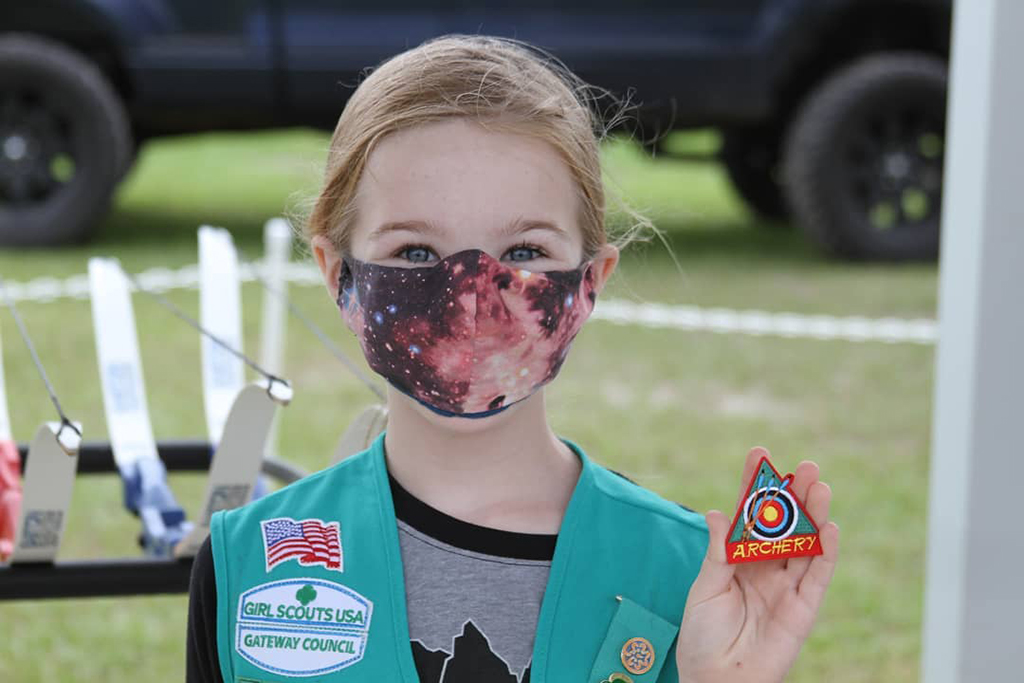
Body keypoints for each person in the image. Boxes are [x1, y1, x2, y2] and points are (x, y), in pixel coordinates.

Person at [186, 34, 839, 683]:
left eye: (524, 251)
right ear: (340, 275)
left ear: (591, 280)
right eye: (416, 253)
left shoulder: (690, 576)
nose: (471, 295)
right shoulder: (245, 564)